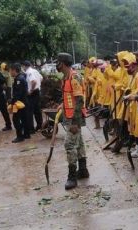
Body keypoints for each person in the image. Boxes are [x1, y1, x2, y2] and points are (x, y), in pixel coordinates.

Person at [56, 53, 89, 190]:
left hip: (74, 117)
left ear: (62, 63)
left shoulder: (75, 77)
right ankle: (82, 170)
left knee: (69, 145)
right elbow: (70, 96)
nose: (57, 65)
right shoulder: (66, 77)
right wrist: (62, 104)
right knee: (79, 143)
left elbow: (79, 100)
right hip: (70, 115)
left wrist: (75, 122)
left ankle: (72, 177)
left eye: (58, 62)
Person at [9, 63, 30, 143]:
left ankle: (20, 136)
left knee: (16, 119)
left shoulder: (19, 79)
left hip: (19, 103)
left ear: (14, 70)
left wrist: (12, 102)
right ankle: (26, 134)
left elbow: (18, 93)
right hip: (24, 102)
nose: (10, 72)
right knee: (24, 119)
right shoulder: (21, 77)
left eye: (10, 70)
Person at [23, 61, 43, 133]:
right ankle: (40, 126)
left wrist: (31, 90)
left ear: (24, 66)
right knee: (37, 110)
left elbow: (34, 81)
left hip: (32, 93)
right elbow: (41, 78)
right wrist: (38, 85)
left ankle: (31, 129)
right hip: (37, 92)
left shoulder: (29, 72)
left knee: (29, 111)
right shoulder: (35, 71)